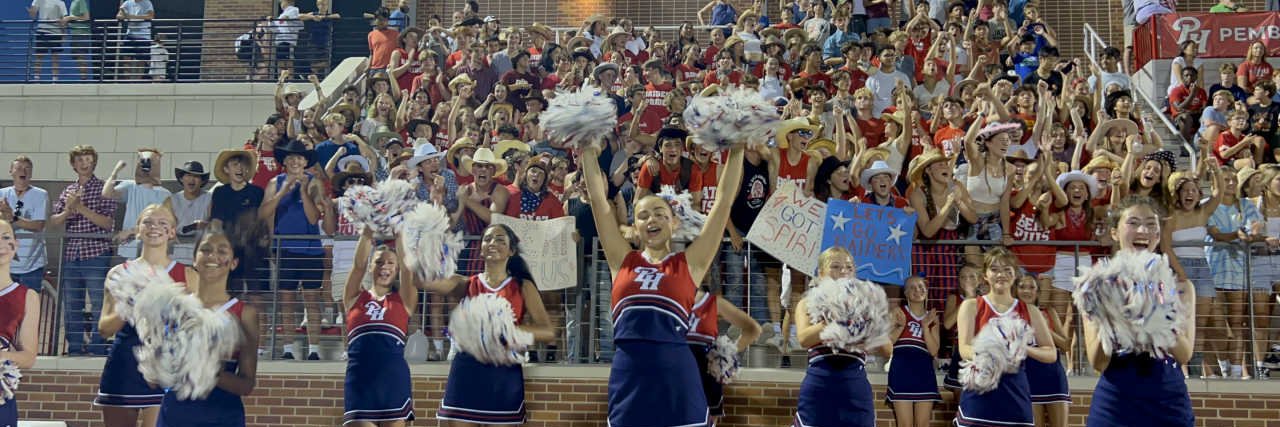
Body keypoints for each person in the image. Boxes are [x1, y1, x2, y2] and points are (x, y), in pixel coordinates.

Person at [580, 125, 745, 426]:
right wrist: (587, 148)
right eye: (643, 215)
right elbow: (599, 201)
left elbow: (722, 205)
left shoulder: (689, 264)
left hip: (676, 377)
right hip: (629, 375)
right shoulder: (623, 261)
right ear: (636, 226)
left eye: (660, 214)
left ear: (674, 224)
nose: (651, 219)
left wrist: (737, 149)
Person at [1083, 196, 1196, 427]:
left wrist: (1154, 314)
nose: (1143, 230)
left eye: (1151, 224)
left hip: (1168, 400)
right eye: (1133, 223)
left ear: (1158, 234)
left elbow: (1184, 354)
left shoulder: (1181, 287)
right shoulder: (1096, 285)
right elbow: (1097, 360)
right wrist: (1115, 317)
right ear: (1114, 232)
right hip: (1116, 400)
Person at [429, 224, 556, 425]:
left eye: (500, 239)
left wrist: (504, 328)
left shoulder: (522, 286)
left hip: (503, 373)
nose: (492, 243)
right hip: (467, 371)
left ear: (511, 251)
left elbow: (548, 332)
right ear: (480, 248)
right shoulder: (466, 283)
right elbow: (423, 281)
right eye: (487, 239)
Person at [96, 204, 198, 427]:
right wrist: (132, 302)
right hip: (124, 366)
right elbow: (104, 328)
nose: (155, 227)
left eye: (163, 223)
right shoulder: (119, 272)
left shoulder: (188, 275)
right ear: (138, 229)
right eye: (148, 222)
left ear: (172, 232)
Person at [155, 223, 261, 427]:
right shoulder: (174, 307)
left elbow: (246, 384)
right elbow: (157, 376)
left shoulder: (245, 314)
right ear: (194, 260)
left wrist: (210, 371)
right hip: (174, 414)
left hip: (222, 415)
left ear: (233, 263)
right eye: (205, 250)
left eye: (222, 251)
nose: (213, 256)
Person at [954, 247, 1056, 427]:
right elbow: (964, 349)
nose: (1001, 274)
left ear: (1015, 274)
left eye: (1007, 270)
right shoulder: (971, 306)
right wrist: (995, 351)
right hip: (980, 394)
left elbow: (1051, 353)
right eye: (994, 269)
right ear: (985, 275)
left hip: (1015, 393)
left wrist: (1023, 348)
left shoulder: (1030, 310)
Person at [792, 247, 888, 426]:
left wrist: (868, 325)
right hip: (819, 386)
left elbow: (887, 350)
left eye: (849, 267)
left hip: (855, 389)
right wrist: (832, 319)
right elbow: (804, 339)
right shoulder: (806, 303)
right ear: (821, 274)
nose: (843, 271)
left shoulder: (866, 305)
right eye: (835, 266)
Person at [259, 139, 327, 360]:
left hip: (311, 249)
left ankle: (314, 349)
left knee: (311, 301)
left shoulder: (314, 182)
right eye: (291, 157)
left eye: (300, 157)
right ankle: (288, 348)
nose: (296, 161)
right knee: (286, 300)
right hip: (285, 249)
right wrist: (284, 190)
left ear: (305, 161)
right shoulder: (274, 182)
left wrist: (303, 190)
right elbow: (264, 215)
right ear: (285, 161)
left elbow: (313, 217)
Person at [341, 227, 417, 426]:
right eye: (379, 262)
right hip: (361, 379)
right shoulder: (354, 298)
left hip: (393, 379)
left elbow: (409, 270)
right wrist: (367, 231)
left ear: (397, 268)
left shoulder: (404, 301)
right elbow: (357, 265)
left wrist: (400, 233)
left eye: (391, 262)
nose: (385, 266)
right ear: (370, 267)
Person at [50, 145, 117, 356]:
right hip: (72, 254)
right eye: (79, 160)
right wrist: (69, 209)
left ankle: (98, 347)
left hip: (96, 253)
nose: (84, 164)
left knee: (98, 302)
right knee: (72, 304)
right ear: (73, 164)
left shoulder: (103, 187)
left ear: (94, 162)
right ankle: (75, 348)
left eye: (88, 160)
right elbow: (54, 221)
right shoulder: (68, 190)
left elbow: (108, 223)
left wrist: (79, 208)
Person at [1166, 168, 1227, 378]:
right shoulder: (1171, 216)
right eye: (1185, 190)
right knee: (1180, 320)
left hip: (1202, 267)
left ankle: (1194, 367)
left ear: (1199, 194)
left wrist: (1215, 170)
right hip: (1178, 267)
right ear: (1178, 194)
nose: (1189, 194)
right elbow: (1165, 246)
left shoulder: (1203, 213)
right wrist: (1180, 272)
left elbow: (1219, 193)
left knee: (1199, 322)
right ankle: (1179, 365)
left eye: (1193, 190)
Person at [686, 283, 761, 426]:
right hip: (673, 378)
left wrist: (726, 353)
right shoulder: (669, 300)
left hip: (705, 379)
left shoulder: (714, 303)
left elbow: (753, 329)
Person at [1014, 275, 1071, 427]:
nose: (1027, 291)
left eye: (1031, 287)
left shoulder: (1049, 312)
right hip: (1027, 377)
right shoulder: (1010, 314)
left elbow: (1066, 346)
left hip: (1053, 376)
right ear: (1015, 290)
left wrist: (1046, 329)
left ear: (1038, 292)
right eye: (1022, 287)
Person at [886, 275, 941, 427]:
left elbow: (934, 350)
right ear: (905, 293)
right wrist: (900, 326)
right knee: (904, 424)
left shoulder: (932, 317)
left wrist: (925, 327)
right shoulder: (898, 313)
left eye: (921, 287)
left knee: (923, 424)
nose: (917, 290)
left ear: (927, 291)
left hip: (924, 372)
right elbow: (887, 344)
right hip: (901, 371)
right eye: (912, 287)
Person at [0, 218, 39, 427]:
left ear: (16, 245)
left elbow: (28, 357)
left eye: (6, 237)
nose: (1, 244)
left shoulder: (27, 296)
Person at [101, 149, 172, 259]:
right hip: (129, 250)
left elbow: (164, 224)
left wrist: (131, 231)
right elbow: (107, 194)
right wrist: (115, 173)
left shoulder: (165, 194)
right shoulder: (130, 187)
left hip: (153, 250)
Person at [0, 157, 48, 292]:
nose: (23, 171)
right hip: (5, 263)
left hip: (32, 264)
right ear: (11, 171)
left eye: (27, 168)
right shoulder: (2, 194)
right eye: (19, 168)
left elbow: (38, 225)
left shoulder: (40, 195)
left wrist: (12, 217)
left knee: (29, 306)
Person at [166, 161, 212, 265]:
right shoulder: (171, 200)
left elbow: (215, 224)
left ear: (202, 181)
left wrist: (204, 225)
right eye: (188, 175)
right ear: (182, 178)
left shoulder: (210, 198)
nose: (192, 179)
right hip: (177, 247)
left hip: (201, 247)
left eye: (196, 176)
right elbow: (165, 225)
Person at [27, 0, 68, 81]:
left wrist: (64, 33)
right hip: (42, 32)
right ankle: (36, 79)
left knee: (55, 57)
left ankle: (55, 80)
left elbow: (64, 19)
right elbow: (33, 15)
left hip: (56, 33)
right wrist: (31, 12)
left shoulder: (60, 2)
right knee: (39, 56)